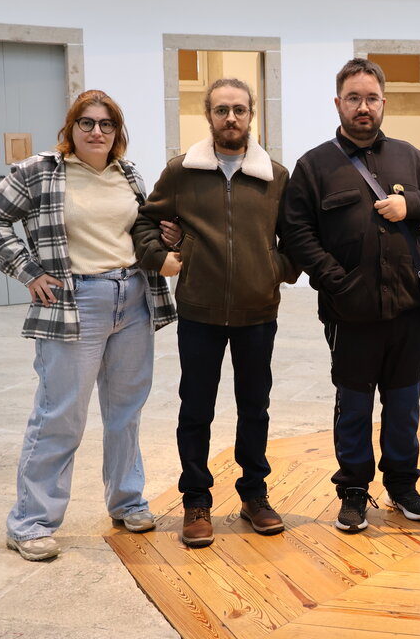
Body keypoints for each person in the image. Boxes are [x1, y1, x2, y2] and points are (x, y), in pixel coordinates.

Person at [0, 90, 177, 561]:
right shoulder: (43, 171)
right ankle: (30, 522)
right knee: (60, 414)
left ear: (117, 132)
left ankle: (127, 501)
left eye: (106, 124)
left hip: (132, 298)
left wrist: (166, 236)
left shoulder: (127, 173)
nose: (96, 132)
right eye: (86, 123)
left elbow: (138, 230)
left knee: (126, 411)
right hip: (75, 301)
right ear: (70, 128)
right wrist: (27, 271)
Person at [282, 58, 420, 533]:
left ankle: (402, 485)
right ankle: (354, 491)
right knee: (353, 406)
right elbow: (296, 231)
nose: (363, 107)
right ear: (339, 103)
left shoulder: (409, 156)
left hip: (407, 310)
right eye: (353, 98)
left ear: (383, 103)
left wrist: (409, 205)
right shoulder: (314, 166)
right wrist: (333, 279)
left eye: (371, 98)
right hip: (348, 311)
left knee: (403, 405)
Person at [132, 78, 294, 547]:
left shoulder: (274, 177)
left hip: (257, 310)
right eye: (222, 109)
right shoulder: (183, 172)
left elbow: (298, 236)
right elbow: (145, 221)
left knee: (255, 408)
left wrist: (274, 269)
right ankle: (196, 501)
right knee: (196, 409)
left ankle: (254, 496)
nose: (231, 118)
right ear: (209, 116)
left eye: (239, 109)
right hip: (200, 311)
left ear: (252, 115)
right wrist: (159, 258)